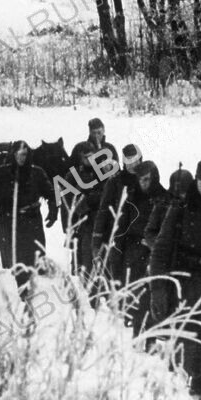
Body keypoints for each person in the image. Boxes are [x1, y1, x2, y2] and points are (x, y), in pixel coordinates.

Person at [150, 157, 201, 400]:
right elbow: (161, 248)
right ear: (197, 182)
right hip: (191, 278)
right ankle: (196, 384)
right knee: (195, 332)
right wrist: (158, 288)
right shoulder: (181, 208)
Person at [0, 140, 58, 289]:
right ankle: (24, 289)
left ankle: (28, 284)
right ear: (13, 155)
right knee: (18, 259)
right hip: (12, 222)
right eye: (19, 155)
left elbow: (53, 193)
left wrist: (54, 211)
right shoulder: (3, 172)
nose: (22, 158)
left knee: (36, 257)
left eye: (25, 155)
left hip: (33, 220)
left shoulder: (37, 173)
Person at [118, 160, 167, 336]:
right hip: (134, 248)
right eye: (141, 180)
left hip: (153, 250)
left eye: (147, 179)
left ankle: (151, 331)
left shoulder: (164, 197)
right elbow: (122, 224)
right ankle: (135, 326)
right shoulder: (132, 197)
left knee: (151, 292)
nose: (144, 183)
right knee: (134, 288)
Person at [92, 143, 144, 281]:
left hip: (138, 240)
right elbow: (102, 211)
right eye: (128, 161)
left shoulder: (146, 180)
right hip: (117, 239)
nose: (133, 165)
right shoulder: (115, 182)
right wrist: (97, 240)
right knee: (116, 279)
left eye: (135, 160)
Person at [60, 140, 104, 275]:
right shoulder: (72, 176)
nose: (90, 160)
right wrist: (68, 227)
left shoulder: (103, 173)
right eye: (86, 157)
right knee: (81, 263)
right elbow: (66, 203)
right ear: (80, 157)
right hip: (81, 224)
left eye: (92, 156)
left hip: (99, 222)